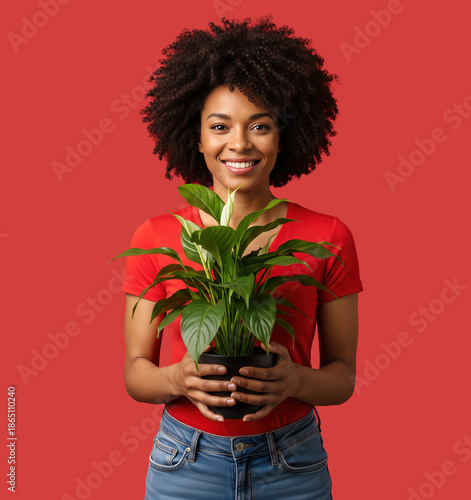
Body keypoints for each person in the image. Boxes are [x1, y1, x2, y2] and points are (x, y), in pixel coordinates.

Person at [122, 17, 363, 499]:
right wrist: (179, 379)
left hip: (291, 461)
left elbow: (342, 377)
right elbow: (136, 373)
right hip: (185, 461)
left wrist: (294, 379)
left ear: (282, 136)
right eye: (220, 126)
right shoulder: (160, 235)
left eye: (260, 125)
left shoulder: (327, 235)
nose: (239, 143)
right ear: (196, 137)